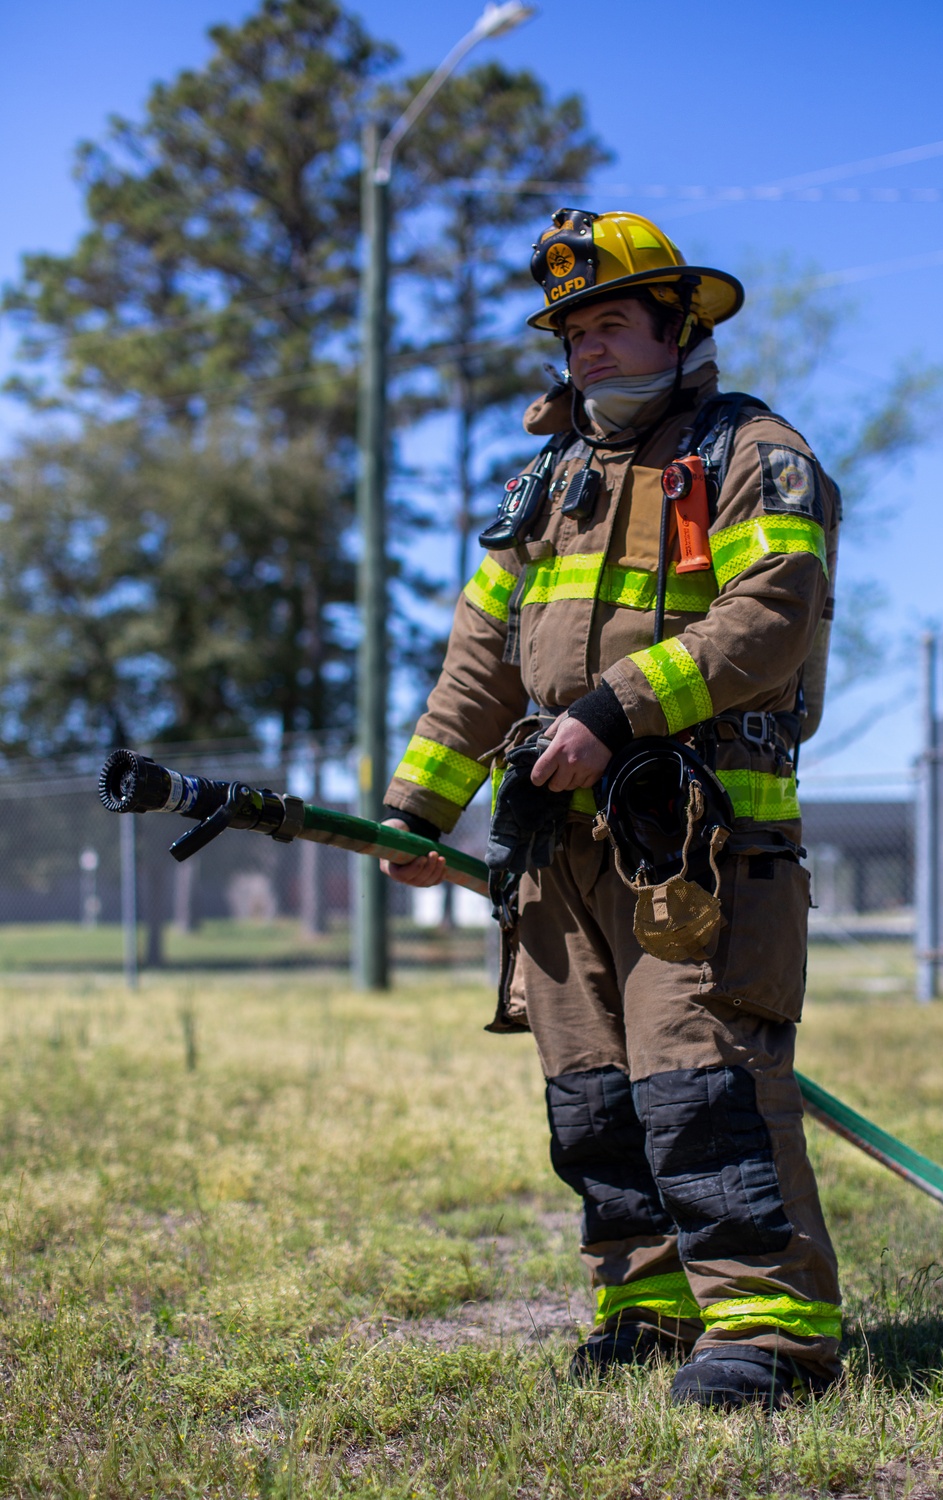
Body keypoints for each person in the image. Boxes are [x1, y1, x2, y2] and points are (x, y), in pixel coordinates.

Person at [379, 208, 842, 1408]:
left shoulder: (756, 454)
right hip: (556, 853)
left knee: (704, 1085)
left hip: (698, 842)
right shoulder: (546, 485)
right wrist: (417, 812)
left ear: (677, 326)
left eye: (611, 320)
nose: (587, 347)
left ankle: (768, 1334)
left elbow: (773, 613)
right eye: (572, 329)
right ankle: (644, 1305)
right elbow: (480, 655)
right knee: (590, 1097)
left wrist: (614, 712)